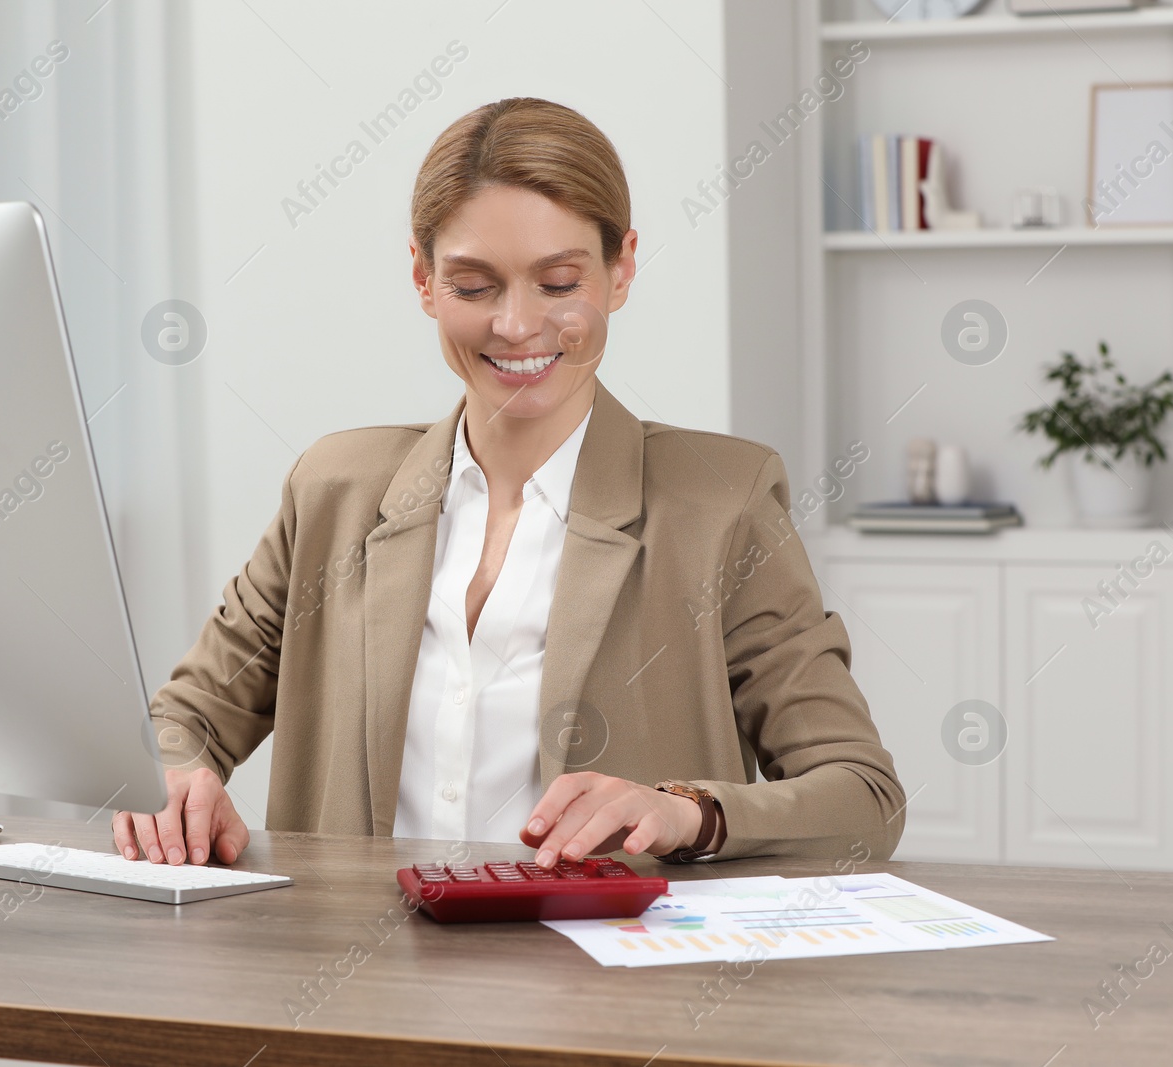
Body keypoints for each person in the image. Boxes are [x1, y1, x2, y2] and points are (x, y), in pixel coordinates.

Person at [113, 96, 904, 870]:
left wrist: (684, 810)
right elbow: (183, 720)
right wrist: (181, 780)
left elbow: (863, 798)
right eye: (473, 285)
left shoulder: (722, 503)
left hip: (610, 990)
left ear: (621, 269)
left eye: (559, 283)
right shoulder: (333, 488)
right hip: (355, 980)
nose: (518, 325)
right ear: (422, 279)